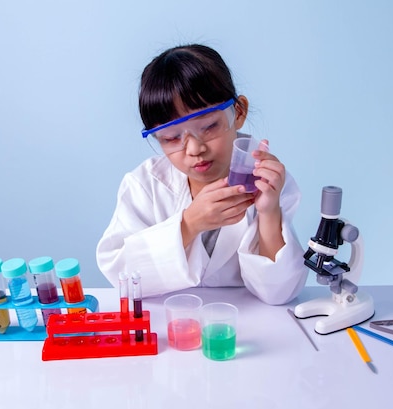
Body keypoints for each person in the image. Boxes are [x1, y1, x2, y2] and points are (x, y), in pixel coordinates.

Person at [96, 44, 308, 305]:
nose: (195, 149)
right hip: (170, 324)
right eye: (172, 137)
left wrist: (268, 212)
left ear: (238, 112)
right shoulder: (144, 185)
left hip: (245, 324)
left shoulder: (267, 181)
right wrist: (189, 224)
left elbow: (279, 293)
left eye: (208, 127)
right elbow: (122, 277)